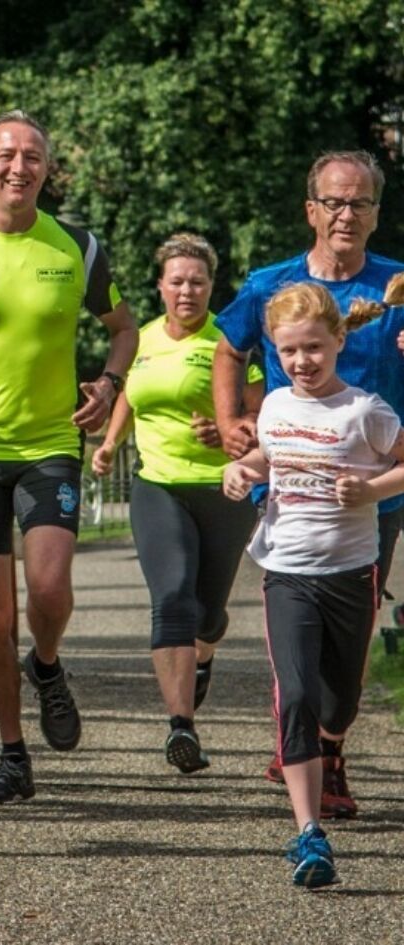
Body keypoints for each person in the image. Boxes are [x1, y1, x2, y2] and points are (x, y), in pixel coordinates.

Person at [0, 109, 138, 805]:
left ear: (46, 169)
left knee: (47, 591)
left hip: (47, 447)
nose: (19, 166)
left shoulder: (78, 247)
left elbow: (124, 329)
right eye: (6, 154)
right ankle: (13, 754)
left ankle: (46, 664)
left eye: (33, 156)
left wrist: (108, 383)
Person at [210, 149, 404, 807]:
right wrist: (234, 418)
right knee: (295, 606)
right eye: (335, 201)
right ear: (311, 210)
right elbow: (228, 347)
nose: (347, 214)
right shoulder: (272, 282)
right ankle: (311, 747)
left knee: (354, 618)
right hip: (291, 476)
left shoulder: (399, 285)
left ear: (377, 213)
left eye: (361, 203)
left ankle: (328, 735)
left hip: (377, 482)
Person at [220, 281, 404, 888]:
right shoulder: (274, 406)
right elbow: (266, 462)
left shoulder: (365, 410)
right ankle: (308, 833)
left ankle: (331, 742)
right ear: (276, 350)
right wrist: (242, 468)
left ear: (339, 342)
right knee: (294, 695)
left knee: (339, 702)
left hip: (351, 571)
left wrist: (374, 489)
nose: (302, 362)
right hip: (286, 571)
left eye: (314, 350)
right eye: (290, 350)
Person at [92, 233, 260, 773]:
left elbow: (260, 417)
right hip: (157, 485)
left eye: (198, 281)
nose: (187, 290)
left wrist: (231, 429)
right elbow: (129, 398)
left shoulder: (228, 342)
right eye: (178, 281)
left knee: (207, 615)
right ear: (161, 286)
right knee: (171, 598)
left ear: (212, 286)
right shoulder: (140, 341)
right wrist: (112, 443)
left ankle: (204, 654)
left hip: (224, 489)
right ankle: (181, 727)